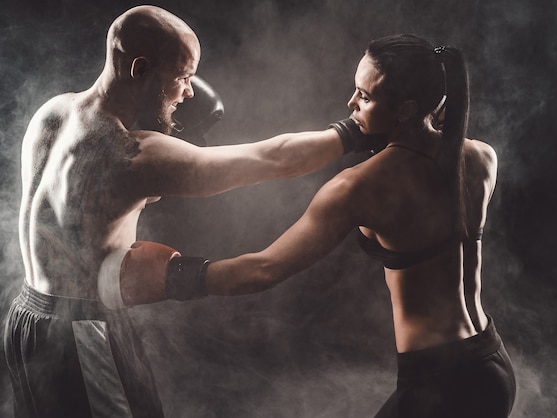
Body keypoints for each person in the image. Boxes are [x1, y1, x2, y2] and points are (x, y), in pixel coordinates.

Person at [105, 34, 516, 417]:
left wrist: (174, 276)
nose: (350, 101)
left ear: (406, 109)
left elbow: (264, 269)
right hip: (491, 361)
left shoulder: (358, 187)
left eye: (365, 96)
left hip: (439, 386)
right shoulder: (481, 157)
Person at [3, 5, 380, 418]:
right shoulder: (132, 156)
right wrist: (355, 131)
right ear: (140, 68)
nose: (189, 92)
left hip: (26, 319)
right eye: (182, 77)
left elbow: (82, 203)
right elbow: (272, 159)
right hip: (83, 331)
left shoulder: (53, 112)